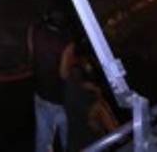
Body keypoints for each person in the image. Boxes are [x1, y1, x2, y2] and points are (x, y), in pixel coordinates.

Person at [28, 9, 75, 152]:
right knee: (70, 141)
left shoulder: (34, 30)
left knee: (43, 142)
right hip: (59, 100)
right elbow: (64, 74)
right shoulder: (67, 43)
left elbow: (32, 54)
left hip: (41, 94)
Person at [64, 48, 119, 152]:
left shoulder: (73, 83)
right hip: (90, 143)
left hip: (80, 141)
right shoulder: (92, 101)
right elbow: (117, 134)